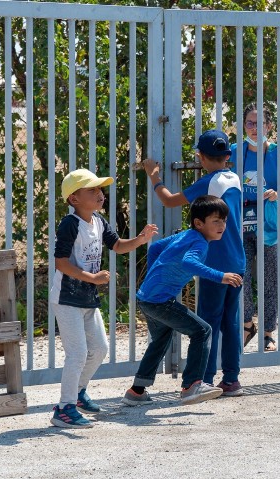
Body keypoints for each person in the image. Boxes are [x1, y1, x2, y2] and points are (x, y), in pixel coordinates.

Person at [49, 168, 158, 428]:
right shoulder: (70, 224)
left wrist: (140, 240)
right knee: (77, 354)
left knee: (99, 349)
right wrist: (93, 278)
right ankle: (63, 409)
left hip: (86, 297)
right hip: (66, 298)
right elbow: (61, 263)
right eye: (92, 190)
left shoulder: (98, 221)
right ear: (74, 199)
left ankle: (78, 393)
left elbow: (118, 245)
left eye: (100, 189)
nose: (100, 194)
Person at [142, 130, 247, 396]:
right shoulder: (233, 178)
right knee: (231, 322)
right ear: (227, 156)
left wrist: (154, 176)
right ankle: (232, 380)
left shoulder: (209, 182)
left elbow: (168, 200)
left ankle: (204, 378)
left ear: (200, 157)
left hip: (214, 263)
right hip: (237, 259)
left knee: (208, 321)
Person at [121, 195, 243, 407]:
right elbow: (189, 262)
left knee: (161, 339)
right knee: (202, 331)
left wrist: (156, 276)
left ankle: (136, 391)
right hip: (159, 301)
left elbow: (154, 249)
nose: (222, 225)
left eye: (224, 220)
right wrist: (221, 276)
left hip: (147, 297)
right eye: (216, 221)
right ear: (198, 223)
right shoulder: (199, 242)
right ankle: (191, 386)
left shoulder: (186, 235)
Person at [230, 103, 280, 352]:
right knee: (241, 276)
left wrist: (276, 194)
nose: (255, 128)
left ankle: (268, 333)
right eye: (249, 123)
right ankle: (247, 326)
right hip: (242, 223)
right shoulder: (235, 152)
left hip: (270, 224)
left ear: (269, 126)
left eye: (260, 123)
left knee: (270, 278)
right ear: (243, 125)